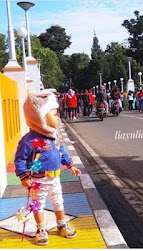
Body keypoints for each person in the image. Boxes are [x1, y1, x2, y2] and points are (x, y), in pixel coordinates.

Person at [14, 90, 81, 246]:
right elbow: (20, 159)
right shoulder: (30, 139)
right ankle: (40, 229)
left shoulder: (54, 136)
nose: (58, 117)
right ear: (41, 118)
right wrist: (24, 176)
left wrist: (70, 165)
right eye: (54, 114)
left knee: (58, 200)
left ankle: (61, 224)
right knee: (39, 203)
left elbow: (62, 151)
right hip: (38, 180)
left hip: (55, 177)